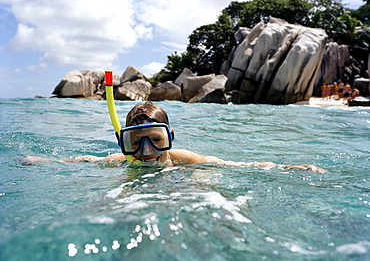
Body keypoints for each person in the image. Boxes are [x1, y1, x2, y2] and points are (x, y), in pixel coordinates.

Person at [24, 102, 325, 173]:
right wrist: (46, 160)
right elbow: (85, 160)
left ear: (170, 137)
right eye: (135, 143)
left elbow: (238, 165)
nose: (146, 150)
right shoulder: (121, 161)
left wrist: (287, 168)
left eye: (156, 139)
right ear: (123, 144)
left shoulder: (185, 159)